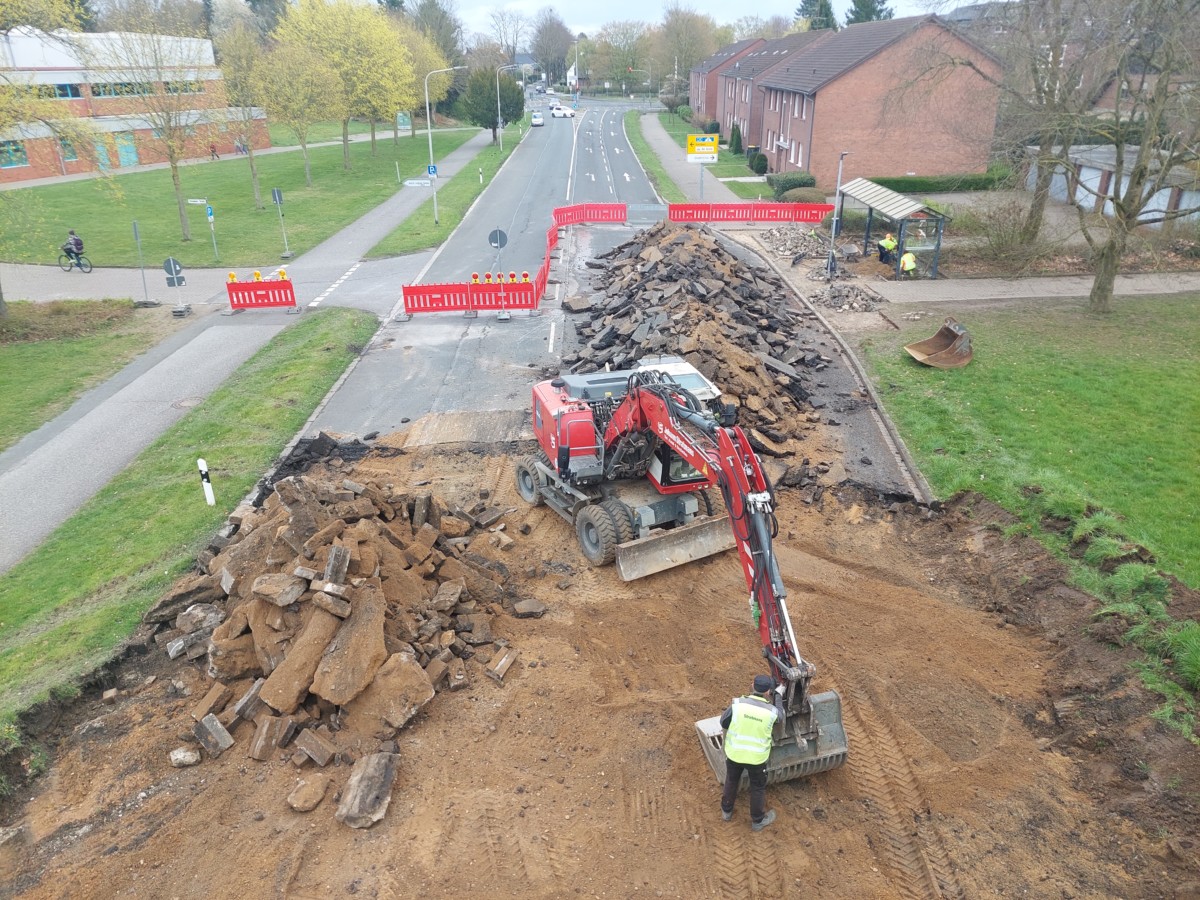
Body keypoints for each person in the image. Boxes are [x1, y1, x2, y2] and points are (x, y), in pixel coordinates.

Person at [719, 674, 784, 831]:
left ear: (752, 685)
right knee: (757, 787)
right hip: (756, 759)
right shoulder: (772, 712)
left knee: (732, 780)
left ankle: (726, 812)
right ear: (769, 692)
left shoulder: (738, 704)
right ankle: (757, 821)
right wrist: (779, 696)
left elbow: (723, 721)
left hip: (734, 753)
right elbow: (781, 719)